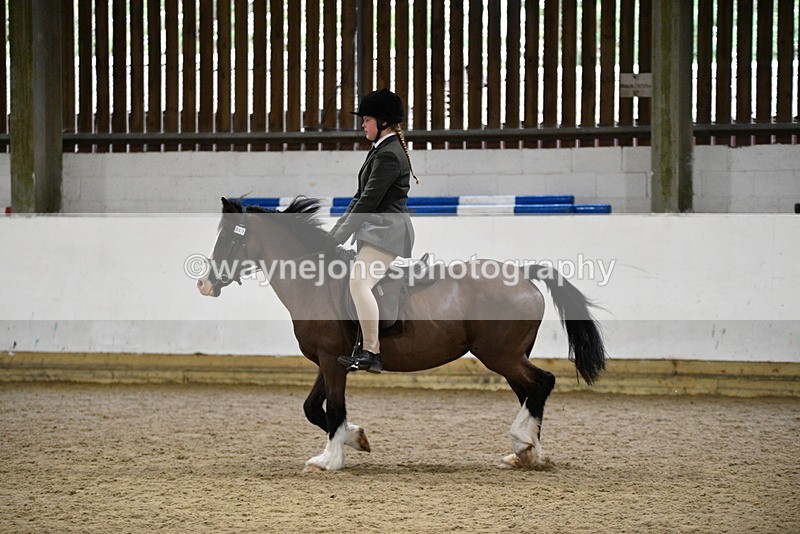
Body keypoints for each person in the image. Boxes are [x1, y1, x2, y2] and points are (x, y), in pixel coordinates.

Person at [329, 88, 419, 374]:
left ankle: (371, 351)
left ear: (383, 122)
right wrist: (332, 236)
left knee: (359, 283)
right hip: (376, 230)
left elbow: (368, 202)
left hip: (388, 231)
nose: (363, 125)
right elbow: (359, 197)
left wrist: (340, 237)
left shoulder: (389, 155)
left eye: (367, 120)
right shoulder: (381, 150)